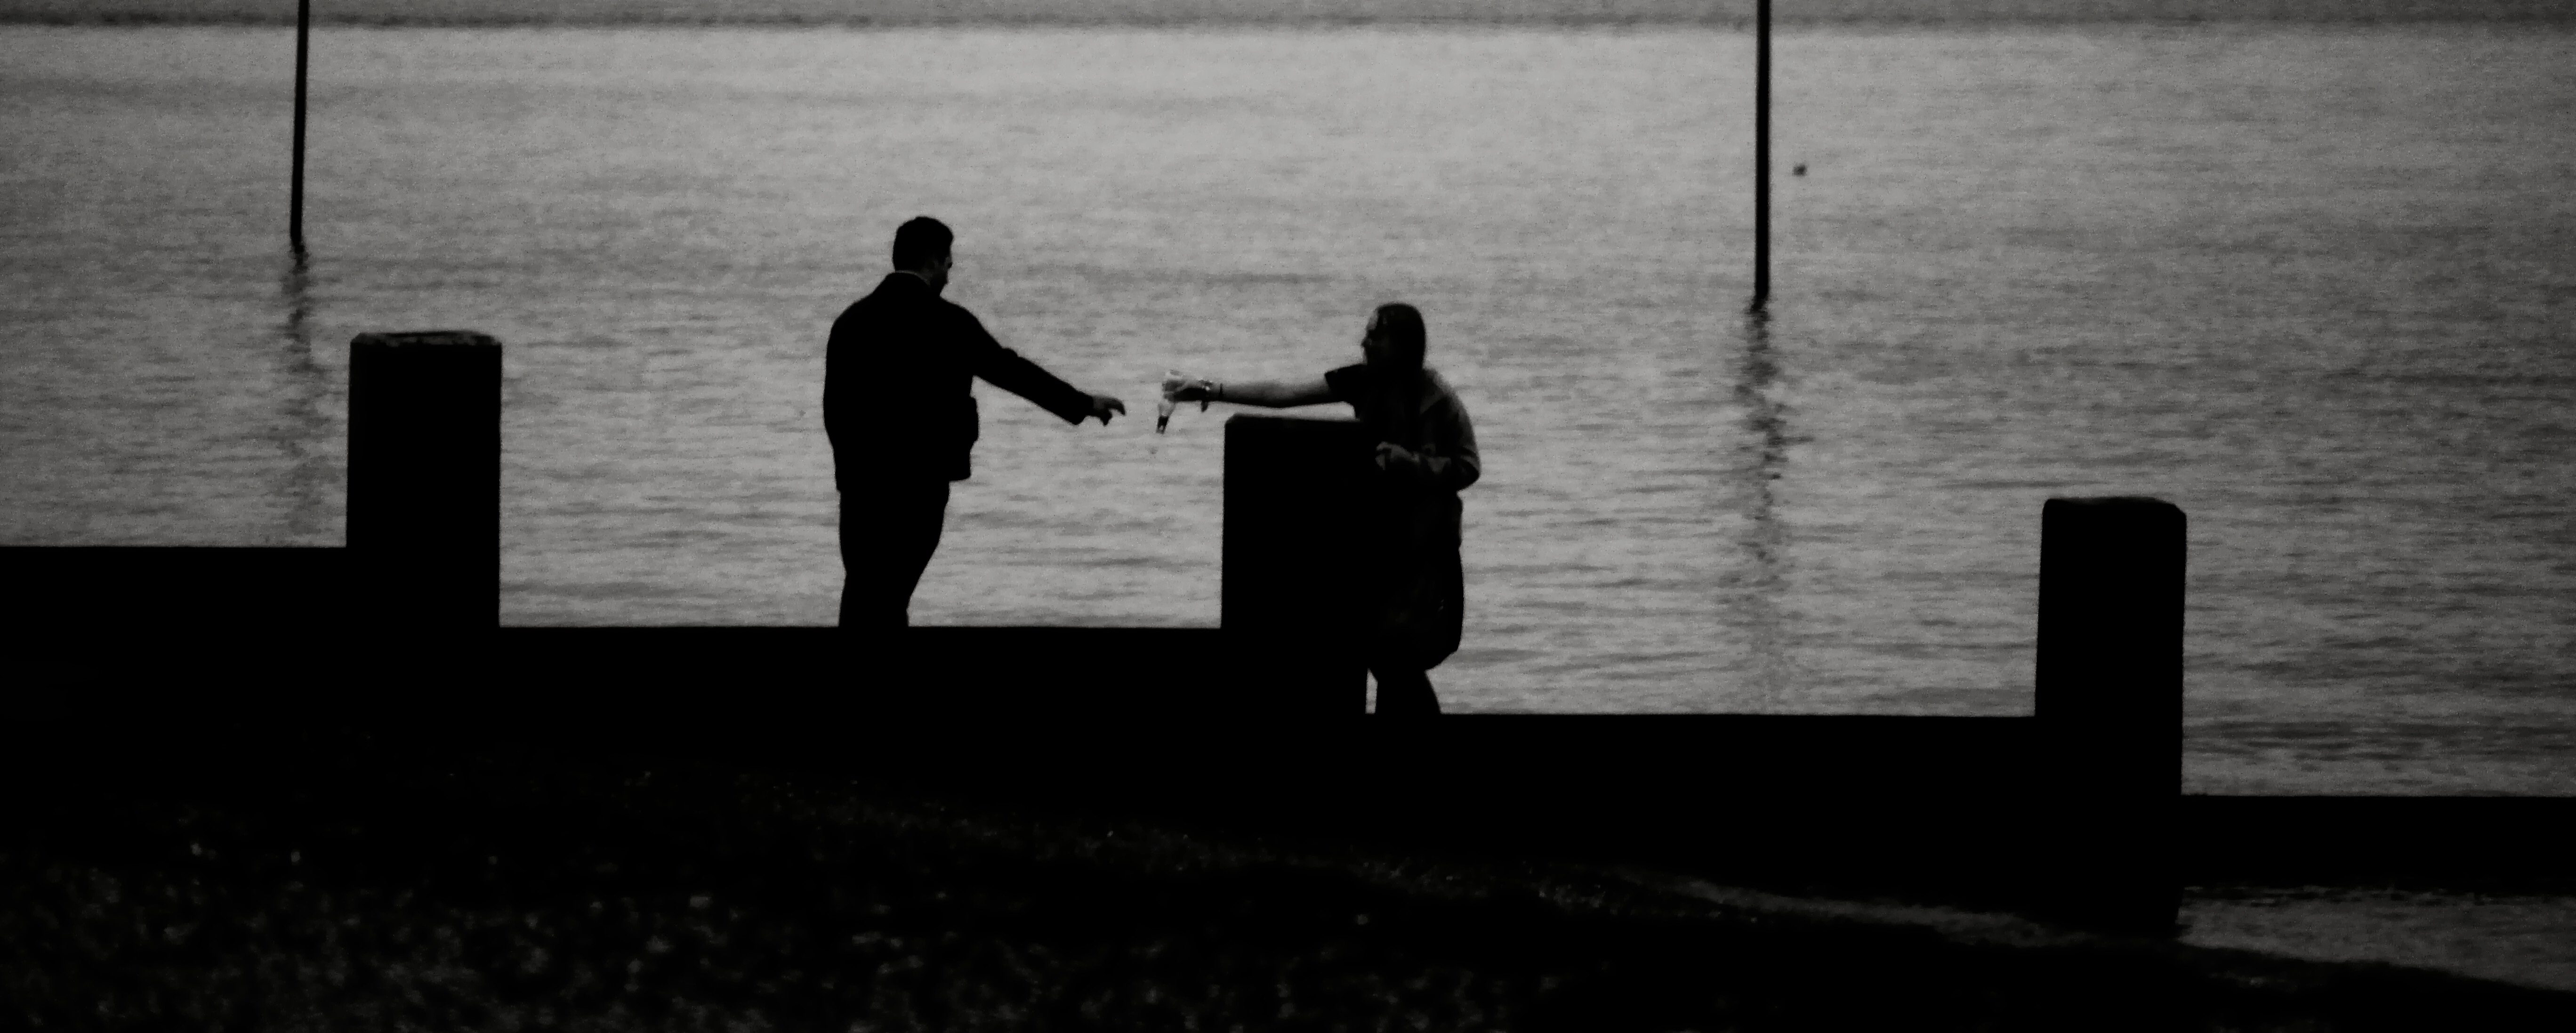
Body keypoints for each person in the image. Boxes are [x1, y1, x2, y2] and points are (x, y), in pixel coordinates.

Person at [1167, 303, 1479, 715]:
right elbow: (1283, 395)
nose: (1364, 342)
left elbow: (1468, 466)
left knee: (1399, 654)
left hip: (1427, 547)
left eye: (1376, 335)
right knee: (1383, 649)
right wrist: (1211, 391)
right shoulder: (1362, 381)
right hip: (1380, 542)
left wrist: (1411, 464)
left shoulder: (1437, 397)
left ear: (1403, 345)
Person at [823, 216, 1126, 631]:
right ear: (933, 261)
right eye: (948, 264)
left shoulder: (851, 322)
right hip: (921, 483)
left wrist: (851, 467)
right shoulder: (949, 322)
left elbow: (834, 410)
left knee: (865, 589)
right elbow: (1009, 371)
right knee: (892, 594)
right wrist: (1081, 403)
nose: (949, 275)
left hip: (861, 486)